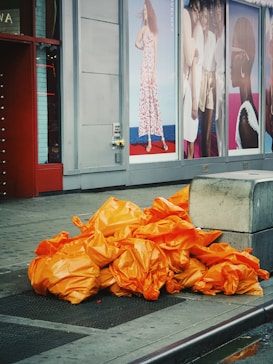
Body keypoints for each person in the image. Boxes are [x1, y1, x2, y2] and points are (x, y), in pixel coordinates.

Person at [135, 0, 168, 153]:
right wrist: (142, 48)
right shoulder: (143, 29)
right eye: (144, 11)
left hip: (151, 69)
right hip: (144, 68)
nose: (145, 14)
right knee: (145, 103)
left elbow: (156, 53)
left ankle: (161, 138)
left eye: (147, 11)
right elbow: (136, 43)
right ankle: (148, 139)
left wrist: (154, 71)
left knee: (155, 102)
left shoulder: (154, 31)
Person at [231, 17, 259, 149]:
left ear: (243, 59)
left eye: (232, 55)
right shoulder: (249, 111)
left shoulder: (245, 119)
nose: (230, 65)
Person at [183, 0, 204, 159]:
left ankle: (189, 157)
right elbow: (194, 66)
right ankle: (189, 158)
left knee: (191, 128)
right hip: (193, 86)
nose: (197, 14)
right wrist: (195, 100)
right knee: (191, 126)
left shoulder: (196, 30)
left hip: (194, 85)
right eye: (195, 10)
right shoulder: (196, 30)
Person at [199, 1, 216, 157]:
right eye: (202, 16)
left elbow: (215, 60)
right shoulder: (197, 34)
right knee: (198, 124)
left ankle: (207, 160)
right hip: (199, 80)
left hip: (210, 80)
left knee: (208, 128)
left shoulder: (212, 36)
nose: (204, 19)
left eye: (206, 17)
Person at [214, 0, 225, 156]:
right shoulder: (216, 33)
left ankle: (224, 154)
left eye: (218, 8)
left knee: (223, 122)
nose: (216, 12)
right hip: (216, 82)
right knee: (219, 123)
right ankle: (222, 154)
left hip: (224, 84)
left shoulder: (225, 34)